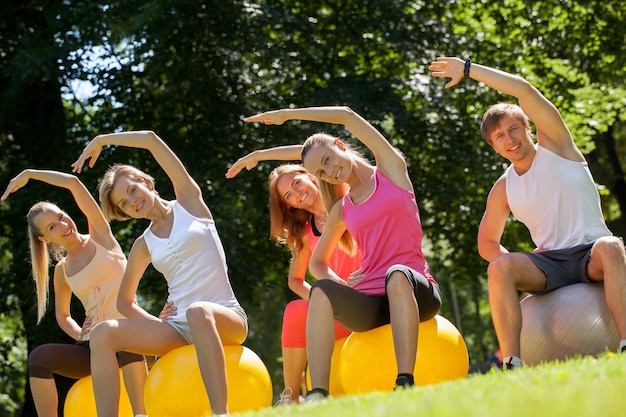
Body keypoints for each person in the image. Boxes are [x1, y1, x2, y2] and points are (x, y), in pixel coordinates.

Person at [428, 56, 626, 369]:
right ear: (493, 146)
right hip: (551, 265)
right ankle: (511, 362)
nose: (510, 140)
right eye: (500, 137)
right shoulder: (504, 187)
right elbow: (487, 243)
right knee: (500, 267)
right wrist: (526, 264)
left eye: (514, 129)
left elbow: (523, 89)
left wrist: (467, 69)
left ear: (528, 128)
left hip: (592, 253)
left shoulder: (558, 147)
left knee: (612, 245)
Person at [242, 106, 442, 400]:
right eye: (322, 172)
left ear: (340, 145)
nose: (331, 171)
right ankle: (317, 395)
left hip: (416, 292)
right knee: (321, 290)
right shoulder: (342, 209)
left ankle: (405, 381)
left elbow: (346, 116)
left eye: (328, 161)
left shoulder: (391, 170)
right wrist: (341, 282)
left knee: (397, 275)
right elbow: (317, 264)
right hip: (371, 304)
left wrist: (287, 115)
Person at [71, 130, 247, 417]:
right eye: (124, 204)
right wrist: (156, 322)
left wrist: (103, 140)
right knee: (103, 333)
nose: (133, 202)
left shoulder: (190, 202)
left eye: (132, 191)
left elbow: (152, 140)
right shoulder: (143, 245)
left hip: (224, 315)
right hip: (177, 327)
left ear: (146, 182)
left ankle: (220, 414)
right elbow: (123, 303)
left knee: (199, 311)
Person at [1, 170, 148, 417]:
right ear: (44, 239)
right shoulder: (62, 271)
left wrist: (30, 174)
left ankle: (141, 414)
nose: (63, 225)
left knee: (120, 336)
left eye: (61, 216)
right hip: (94, 346)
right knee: (39, 358)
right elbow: (62, 315)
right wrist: (82, 333)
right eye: (52, 227)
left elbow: (74, 183)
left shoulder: (101, 237)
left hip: (128, 334)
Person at [227, 163, 361, 404]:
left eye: (296, 183)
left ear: (309, 174)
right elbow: (295, 280)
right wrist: (322, 302)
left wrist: (261, 155)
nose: (297, 194)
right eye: (289, 195)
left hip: (374, 296)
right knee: (294, 311)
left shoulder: (348, 198)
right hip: (346, 309)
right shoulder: (305, 233)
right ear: (289, 205)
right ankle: (290, 395)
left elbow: (323, 154)